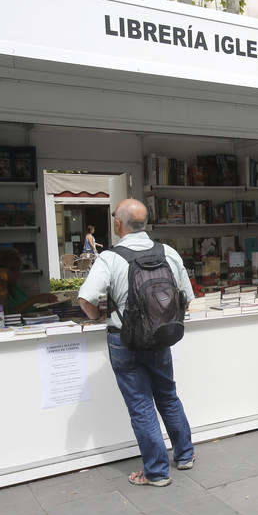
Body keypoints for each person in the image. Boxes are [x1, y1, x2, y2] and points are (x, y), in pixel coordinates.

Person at [78, 199, 195, 487]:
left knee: (141, 404)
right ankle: (184, 456)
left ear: (119, 224)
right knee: (168, 395)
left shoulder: (110, 258)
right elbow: (187, 299)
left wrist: (97, 317)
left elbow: (85, 298)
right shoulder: (168, 252)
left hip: (124, 340)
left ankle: (156, 472)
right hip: (160, 338)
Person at [0, 248, 57, 313]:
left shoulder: (15, 288)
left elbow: (28, 309)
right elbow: (3, 315)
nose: (18, 273)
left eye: (19, 269)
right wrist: (34, 300)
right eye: (13, 269)